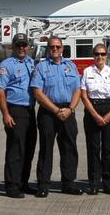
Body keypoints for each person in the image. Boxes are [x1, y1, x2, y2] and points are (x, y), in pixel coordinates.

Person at [31, 36, 83, 196]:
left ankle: (68, 183)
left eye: (57, 47)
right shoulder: (41, 67)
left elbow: (78, 90)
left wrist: (71, 109)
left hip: (68, 111)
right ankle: (43, 184)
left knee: (69, 148)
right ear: (48, 49)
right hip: (48, 112)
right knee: (46, 148)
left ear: (62, 49)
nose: (55, 49)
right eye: (52, 47)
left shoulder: (71, 66)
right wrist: (55, 110)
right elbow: (37, 92)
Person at [0, 35, 37, 198]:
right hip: (15, 110)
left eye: (24, 45)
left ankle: (23, 183)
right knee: (15, 150)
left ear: (28, 47)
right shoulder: (6, 65)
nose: (21, 48)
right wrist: (5, 113)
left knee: (29, 148)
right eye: (18, 45)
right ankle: (12, 186)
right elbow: (0, 90)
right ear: (13, 47)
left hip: (30, 110)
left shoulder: (31, 63)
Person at [80, 43, 110, 194]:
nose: (99, 57)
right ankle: (94, 183)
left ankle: (109, 183)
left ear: (106, 56)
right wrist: (95, 115)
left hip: (109, 108)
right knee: (93, 149)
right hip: (92, 110)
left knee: (109, 149)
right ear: (93, 55)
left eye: (102, 54)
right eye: (97, 54)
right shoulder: (87, 71)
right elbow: (84, 95)